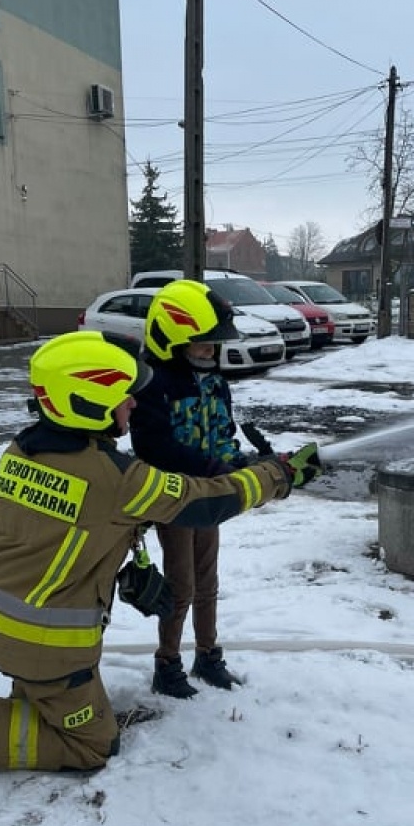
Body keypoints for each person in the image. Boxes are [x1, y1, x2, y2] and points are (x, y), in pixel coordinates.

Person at [0, 328, 322, 776]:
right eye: (124, 395)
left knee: (51, 694)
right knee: (94, 744)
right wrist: (277, 476)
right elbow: (208, 501)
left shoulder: (24, 448)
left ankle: (35, 690)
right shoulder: (115, 478)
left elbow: (72, 527)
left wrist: (120, 568)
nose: (134, 403)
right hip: (38, 639)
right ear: (87, 402)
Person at [130, 278, 251, 698]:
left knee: (207, 579)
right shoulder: (153, 385)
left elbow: (222, 429)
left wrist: (236, 461)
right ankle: (167, 663)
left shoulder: (215, 382)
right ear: (173, 340)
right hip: (175, 498)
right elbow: (154, 447)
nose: (210, 352)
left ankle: (207, 654)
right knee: (181, 584)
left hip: (209, 495)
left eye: (214, 345)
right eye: (202, 344)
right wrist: (209, 465)